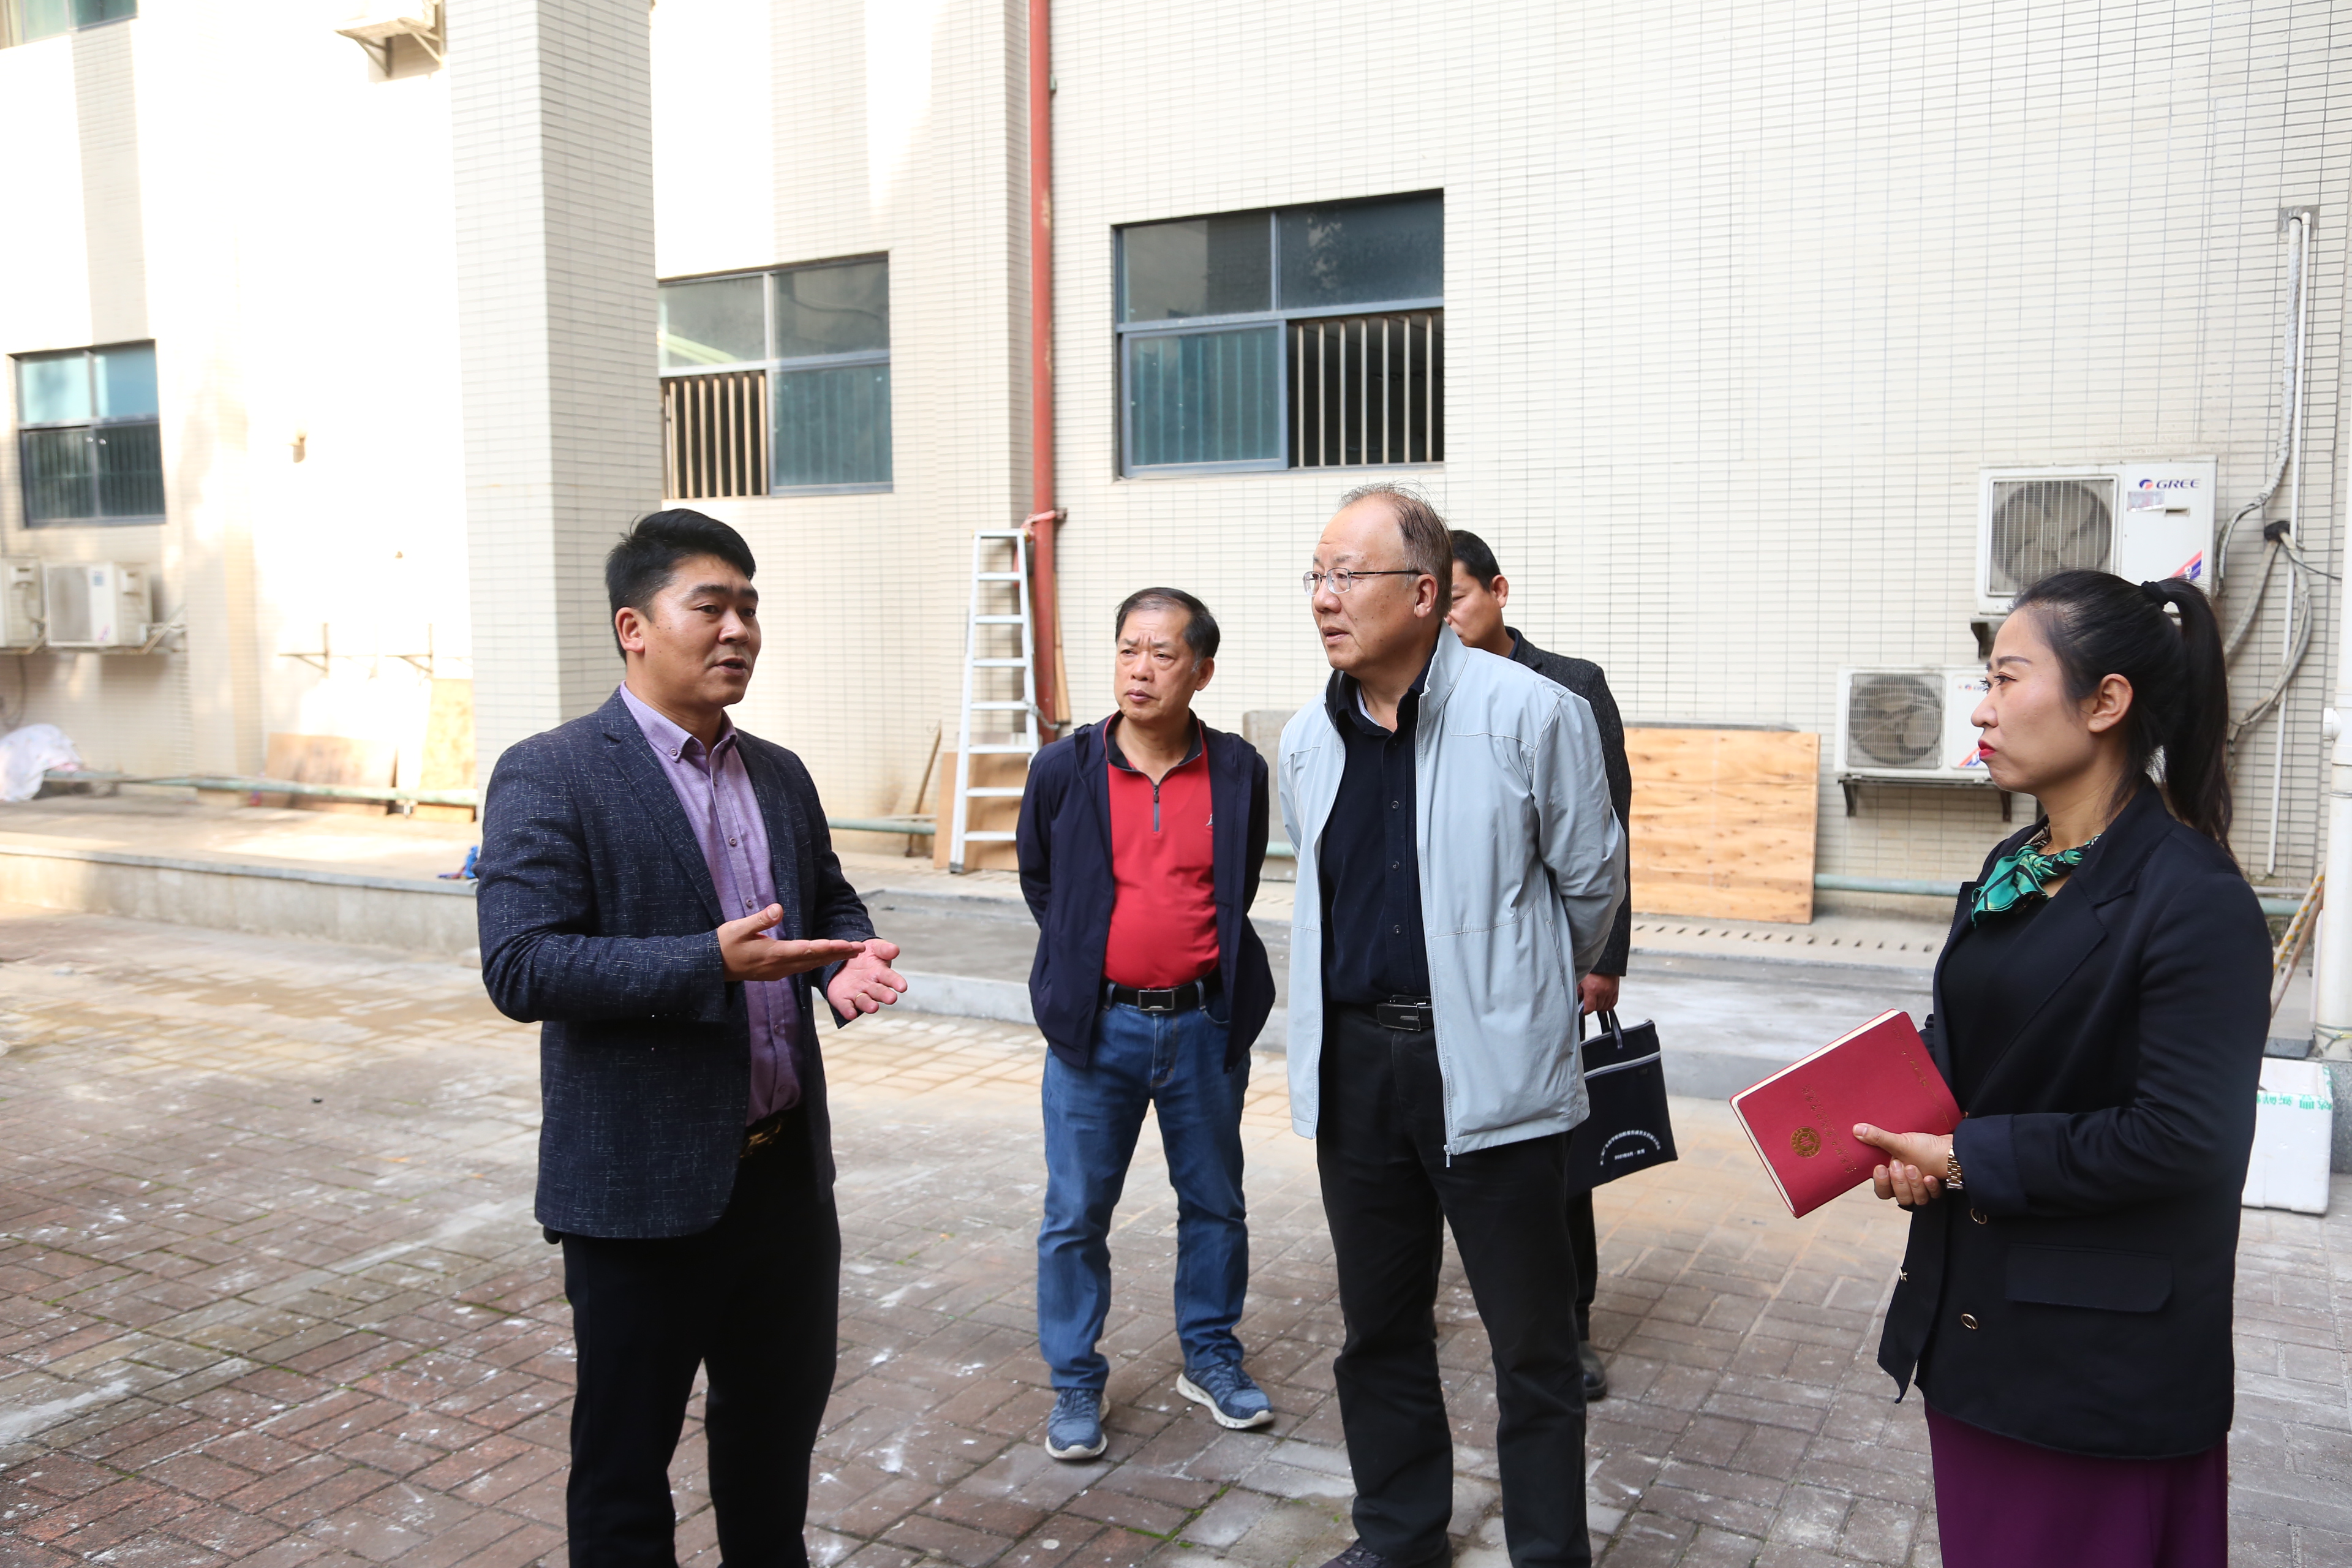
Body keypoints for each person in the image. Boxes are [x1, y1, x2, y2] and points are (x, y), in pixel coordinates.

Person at [476, 510, 908, 1568]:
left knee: (772, 1450)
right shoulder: (552, 772)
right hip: (638, 1192)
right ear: (634, 627)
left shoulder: (781, 773)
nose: (738, 630)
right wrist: (706, 961)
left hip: (783, 1185)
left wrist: (843, 957)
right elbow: (521, 965)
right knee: (625, 1469)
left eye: (749, 609)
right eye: (710, 607)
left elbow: (828, 900)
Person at [1853, 570, 2266, 1568]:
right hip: (1979, 1328)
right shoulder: (2020, 862)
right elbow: (1979, 1044)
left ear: (2106, 701)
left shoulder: (2192, 897)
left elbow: (2184, 1137)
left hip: (2093, 1367)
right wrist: (1905, 1132)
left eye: (2006, 678)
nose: (1981, 710)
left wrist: (1967, 1158)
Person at [1278, 484, 1626, 1568]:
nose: (1324, 598)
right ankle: (1399, 1537)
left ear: (1425, 593)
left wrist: (1513, 993)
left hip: (1490, 1062)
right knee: (1379, 1328)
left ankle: (1547, 1553)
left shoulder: (1534, 712)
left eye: (1348, 576)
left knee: (1533, 1344)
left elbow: (1591, 882)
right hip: (1355, 1068)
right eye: (1317, 577)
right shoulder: (1307, 739)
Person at [1016, 587, 1278, 1461]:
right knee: (1075, 1213)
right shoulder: (1064, 768)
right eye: (1129, 648)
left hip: (1204, 1025)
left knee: (1215, 1203)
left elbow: (1235, 887)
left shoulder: (1238, 770)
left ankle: (1210, 1356)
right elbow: (1042, 881)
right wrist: (1088, 960)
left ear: (1202, 670)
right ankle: (1075, 1380)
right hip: (1097, 1030)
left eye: (1164, 654)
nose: (1141, 668)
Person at [1444, 529, 1632, 1401]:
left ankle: (1570, 1323)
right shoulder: (1422, 694)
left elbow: (1607, 837)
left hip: (1549, 960)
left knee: (1553, 1154)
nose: (1446, 619)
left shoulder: (1571, 687)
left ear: (1498, 591)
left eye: (1457, 598)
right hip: (1449, 967)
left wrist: (1602, 960)